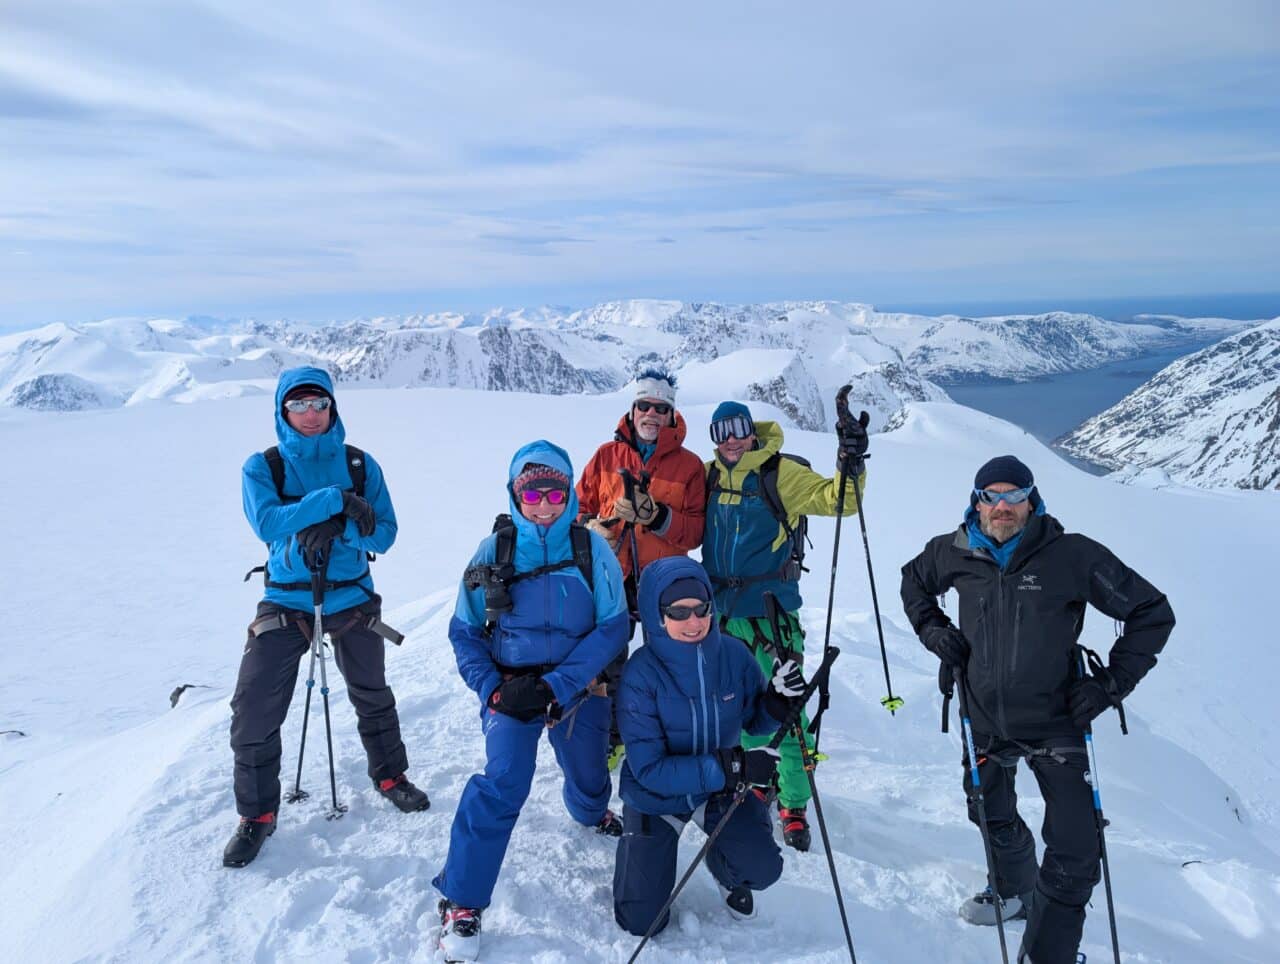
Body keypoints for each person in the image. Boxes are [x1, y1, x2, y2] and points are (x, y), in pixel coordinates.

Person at [900, 455, 1175, 964]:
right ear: (976, 503)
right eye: (991, 497)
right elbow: (913, 583)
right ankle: (1014, 891)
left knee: (1076, 848)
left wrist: (1110, 685)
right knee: (989, 812)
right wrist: (933, 631)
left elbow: (1151, 612)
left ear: (1033, 501)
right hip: (983, 716)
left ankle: (1048, 954)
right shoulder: (953, 551)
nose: (1002, 507)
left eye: (1014, 496)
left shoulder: (1071, 555)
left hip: (1057, 720)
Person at [434, 440, 630, 962]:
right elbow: (464, 632)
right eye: (533, 493)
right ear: (516, 495)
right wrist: (492, 690)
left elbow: (613, 628)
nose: (544, 504)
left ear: (569, 494)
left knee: (590, 775)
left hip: (577, 688)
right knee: (502, 784)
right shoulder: (493, 551)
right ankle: (462, 901)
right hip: (510, 693)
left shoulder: (591, 550)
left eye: (555, 493)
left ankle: (590, 812)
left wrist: (558, 684)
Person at [225, 367, 427, 869]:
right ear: (283, 411)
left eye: (319, 404)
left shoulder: (360, 464)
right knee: (253, 706)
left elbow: (385, 534)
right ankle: (257, 814)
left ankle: (391, 776)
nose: (311, 414)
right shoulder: (264, 467)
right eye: (299, 405)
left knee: (371, 693)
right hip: (285, 599)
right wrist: (335, 503)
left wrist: (342, 529)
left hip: (351, 596)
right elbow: (266, 523)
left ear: (333, 407)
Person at [700, 400, 868, 850]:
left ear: (752, 430)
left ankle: (793, 802)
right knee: (731, 705)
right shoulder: (708, 476)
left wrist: (850, 461)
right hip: (719, 617)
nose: (730, 439)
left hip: (771, 618)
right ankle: (753, 777)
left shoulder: (779, 475)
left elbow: (840, 500)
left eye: (737, 427)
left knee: (788, 709)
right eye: (720, 431)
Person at [613, 556, 805, 936]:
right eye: (678, 612)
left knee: (762, 868)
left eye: (701, 608)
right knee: (641, 922)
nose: (694, 621)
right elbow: (650, 769)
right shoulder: (640, 674)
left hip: (718, 792)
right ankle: (643, 855)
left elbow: (755, 719)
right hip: (657, 797)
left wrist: (777, 702)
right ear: (656, 615)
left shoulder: (733, 655)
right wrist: (733, 766)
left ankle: (724, 867)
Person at [576, 368, 707, 766]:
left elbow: (696, 531)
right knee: (608, 660)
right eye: (644, 406)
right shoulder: (605, 456)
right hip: (612, 576)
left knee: (670, 661)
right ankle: (613, 737)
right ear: (633, 411)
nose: (651, 414)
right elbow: (577, 509)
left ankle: (669, 734)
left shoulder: (690, 466)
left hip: (663, 580)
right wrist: (590, 528)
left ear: (672, 415)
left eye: (660, 408)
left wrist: (658, 517)